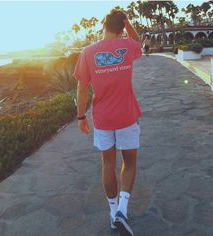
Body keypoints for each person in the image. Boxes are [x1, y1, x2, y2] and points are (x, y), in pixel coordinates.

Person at [73, 9, 142, 236]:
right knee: (129, 162)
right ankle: (122, 209)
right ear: (122, 26)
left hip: (102, 118)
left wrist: (81, 116)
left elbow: (82, 87)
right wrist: (128, 23)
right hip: (127, 115)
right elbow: (138, 41)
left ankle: (113, 214)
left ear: (103, 24)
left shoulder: (88, 52)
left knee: (107, 163)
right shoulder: (129, 46)